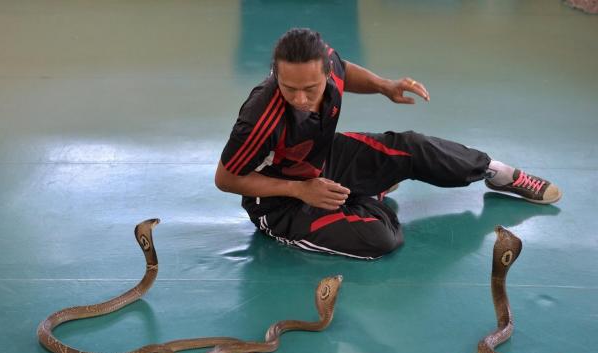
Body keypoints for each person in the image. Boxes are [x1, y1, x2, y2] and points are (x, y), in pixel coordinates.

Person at [214, 28, 561, 259]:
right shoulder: (260, 116)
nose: (301, 98)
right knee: (380, 240)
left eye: (311, 88)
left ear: (324, 71)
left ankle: (497, 172)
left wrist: (384, 85)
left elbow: (345, 71)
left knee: (411, 146)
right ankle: (365, 195)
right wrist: (301, 191)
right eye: (290, 89)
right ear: (276, 73)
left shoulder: (328, 63)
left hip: (323, 158)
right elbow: (226, 179)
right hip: (279, 202)